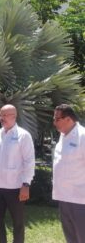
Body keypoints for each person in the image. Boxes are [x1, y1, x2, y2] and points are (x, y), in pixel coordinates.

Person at [0, 104, 35, 243]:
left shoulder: (24, 135)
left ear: (14, 116)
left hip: (16, 188)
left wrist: (26, 184)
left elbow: (29, 161)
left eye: (5, 115)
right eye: (0, 115)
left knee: (18, 223)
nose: (1, 118)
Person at [52, 104, 85, 243]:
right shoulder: (62, 136)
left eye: (57, 119)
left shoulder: (83, 136)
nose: (54, 123)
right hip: (63, 197)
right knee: (70, 237)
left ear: (69, 119)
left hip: (80, 199)